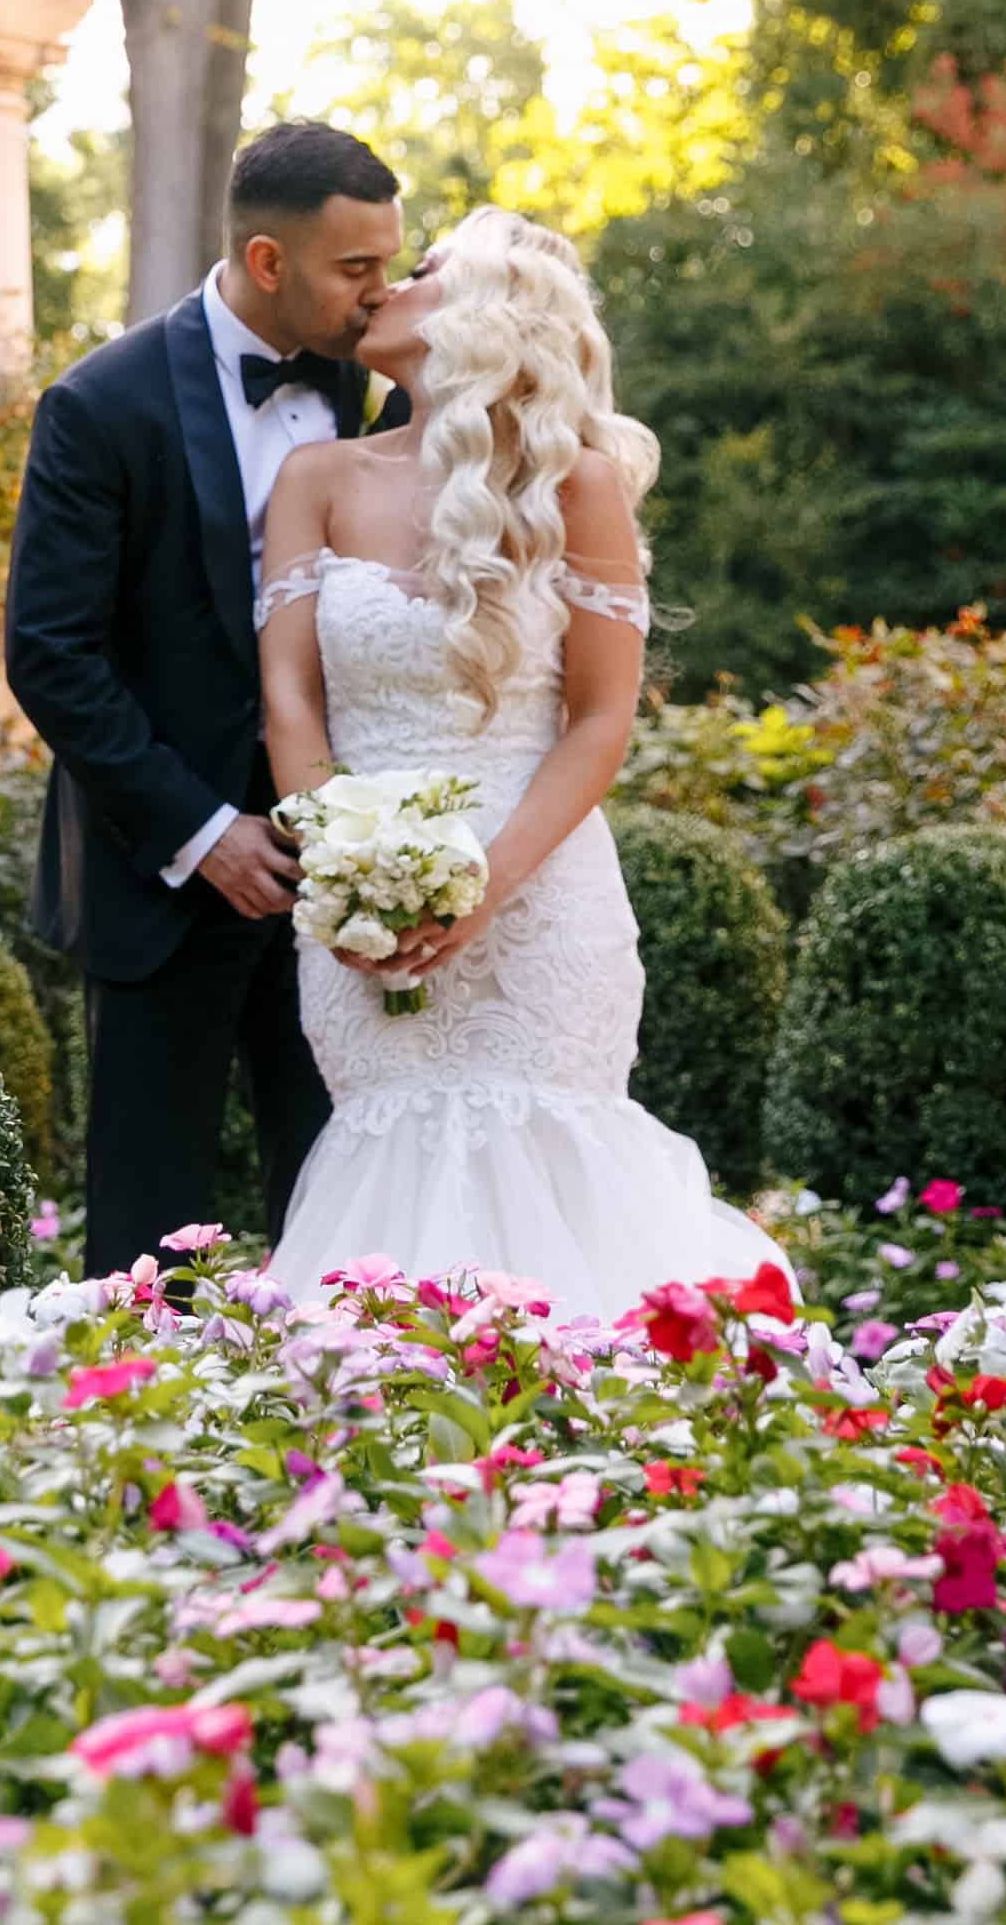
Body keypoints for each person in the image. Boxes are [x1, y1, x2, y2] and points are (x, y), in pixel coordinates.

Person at [254, 205, 785, 1317]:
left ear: (492, 316)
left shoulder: (575, 485)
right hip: (354, 909)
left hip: (538, 895)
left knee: (549, 1160)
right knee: (388, 1159)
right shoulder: (317, 477)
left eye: (426, 270)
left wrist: (484, 887)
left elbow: (599, 721)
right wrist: (344, 873)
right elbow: (291, 699)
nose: (386, 286)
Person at [6, 121, 408, 1277]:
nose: (380, 293)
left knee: (345, 1209)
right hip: (157, 879)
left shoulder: (384, 391)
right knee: (148, 1236)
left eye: (390, 262)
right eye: (358, 269)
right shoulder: (98, 405)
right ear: (270, 262)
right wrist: (200, 831)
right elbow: (51, 654)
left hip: (347, 880)